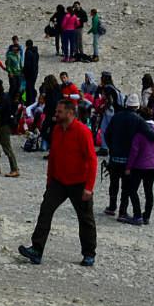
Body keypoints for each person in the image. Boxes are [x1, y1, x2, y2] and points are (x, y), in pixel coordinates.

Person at [19, 98, 98, 266]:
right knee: (45, 210)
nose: (56, 114)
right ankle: (37, 250)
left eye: (59, 112)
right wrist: (49, 181)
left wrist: (89, 188)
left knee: (85, 219)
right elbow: (53, 157)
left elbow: (92, 160)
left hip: (79, 182)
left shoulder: (82, 131)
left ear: (70, 113)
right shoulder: (56, 130)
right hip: (59, 182)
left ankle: (89, 253)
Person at [103, 94, 143, 217]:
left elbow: (107, 134)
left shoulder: (117, 116)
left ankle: (112, 206)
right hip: (128, 159)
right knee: (126, 186)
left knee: (113, 183)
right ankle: (122, 211)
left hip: (114, 157)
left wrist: (111, 147)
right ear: (137, 106)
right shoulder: (138, 120)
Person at [120, 104, 154, 225]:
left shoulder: (139, 133)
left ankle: (137, 215)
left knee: (132, 190)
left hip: (139, 166)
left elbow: (134, 152)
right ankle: (146, 216)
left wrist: (128, 167)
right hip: (152, 166)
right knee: (149, 191)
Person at [22, 39, 40, 105]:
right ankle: (32, 100)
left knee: (29, 88)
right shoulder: (36, 52)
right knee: (31, 87)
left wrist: (24, 72)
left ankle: (29, 101)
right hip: (35, 73)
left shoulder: (28, 52)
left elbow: (27, 64)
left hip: (29, 74)